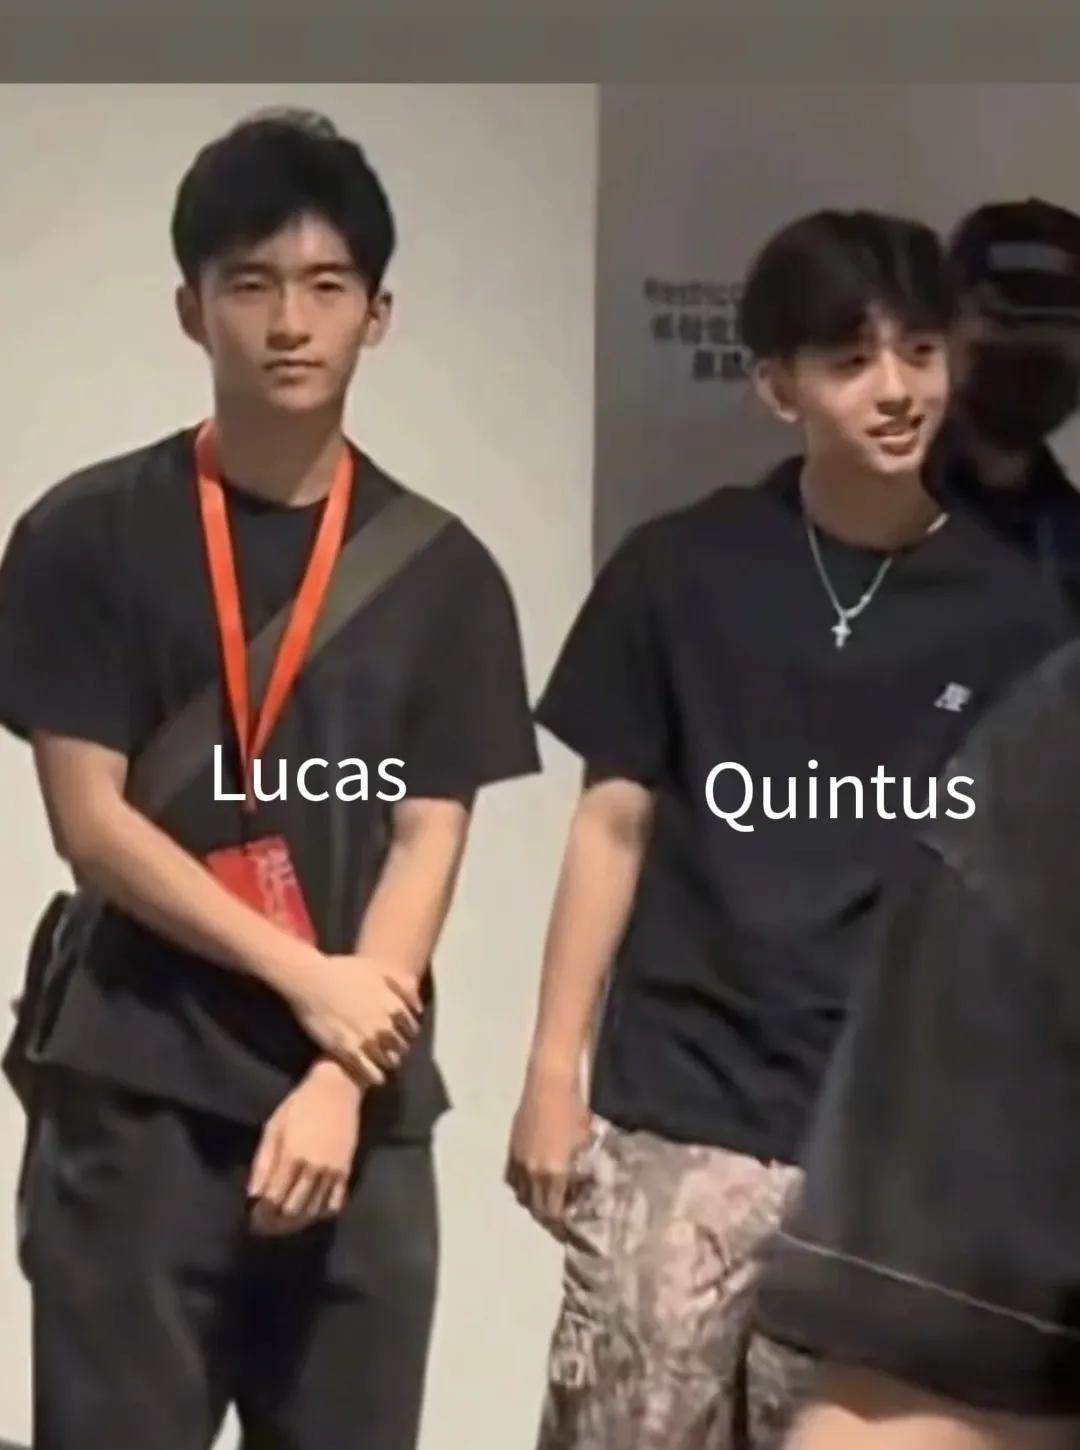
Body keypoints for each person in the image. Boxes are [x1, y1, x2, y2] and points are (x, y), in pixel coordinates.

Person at [0, 108, 539, 1450]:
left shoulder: (445, 573)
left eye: (326, 286)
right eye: (250, 285)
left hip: (360, 1115)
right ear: (190, 309)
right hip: (138, 1097)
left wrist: (343, 1073)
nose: (290, 323)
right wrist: (311, 980)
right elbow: (90, 825)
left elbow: (427, 842)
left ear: (378, 314)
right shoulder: (82, 535)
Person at [505, 208, 1073, 1450]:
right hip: (678, 1119)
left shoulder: (1021, 621)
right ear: (777, 386)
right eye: (852, 361)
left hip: (882, 1154)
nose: (896, 391)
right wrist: (551, 1071)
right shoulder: (680, 570)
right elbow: (612, 823)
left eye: (919, 353)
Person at [752, 203, 1080, 1450]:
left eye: (1063, 328)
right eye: (1009, 322)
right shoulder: (739, 559)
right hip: (797, 1073)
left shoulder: (1045, 585)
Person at [938, 197, 1080, 606]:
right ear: (942, 324)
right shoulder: (842, 528)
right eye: (1007, 323)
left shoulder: (1069, 540)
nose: (1034, 346)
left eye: (1060, 331)